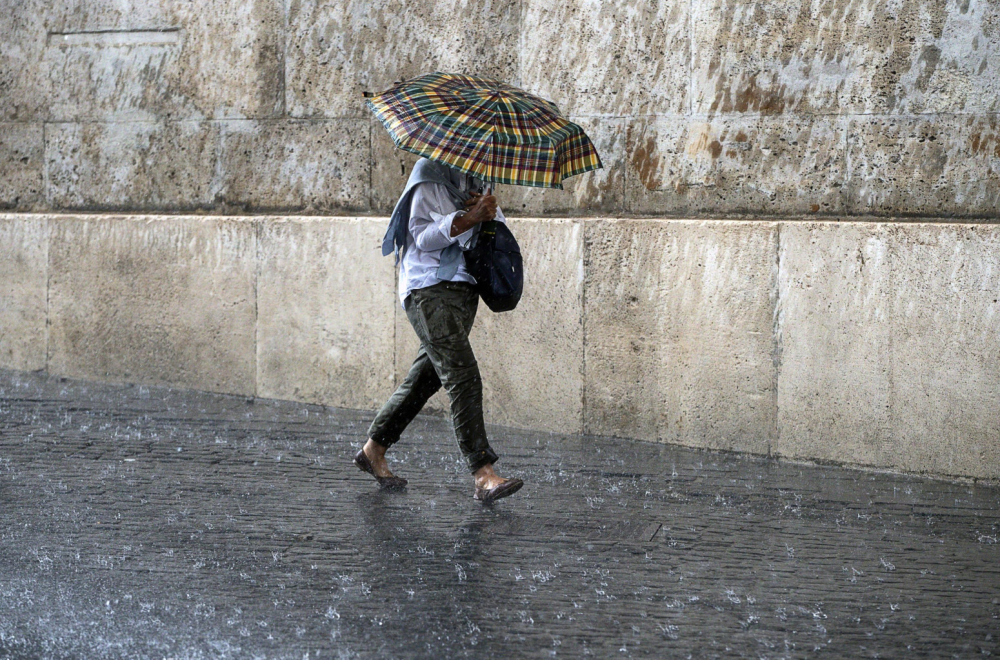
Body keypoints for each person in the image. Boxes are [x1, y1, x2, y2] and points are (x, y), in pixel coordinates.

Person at [353, 158, 524, 503]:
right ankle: (483, 473)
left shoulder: (478, 178)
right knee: (463, 375)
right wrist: (467, 218)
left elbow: (493, 233)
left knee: (426, 377)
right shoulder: (428, 177)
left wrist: (489, 211)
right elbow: (422, 237)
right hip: (428, 288)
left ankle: (373, 450)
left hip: (464, 290)